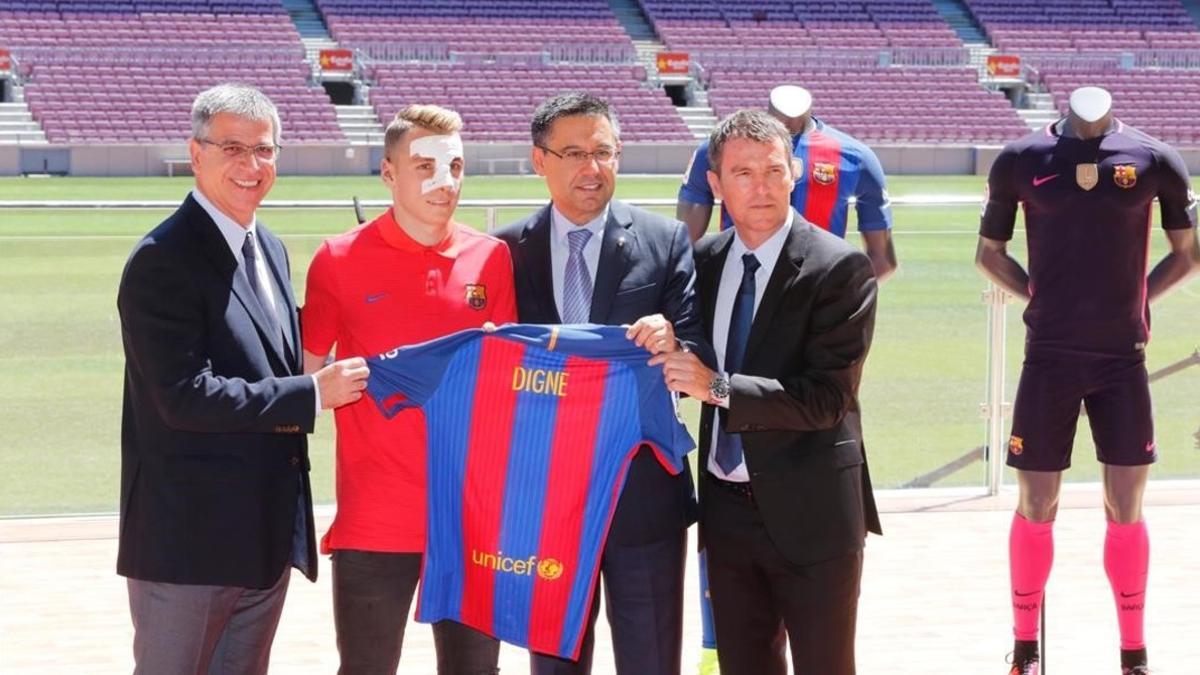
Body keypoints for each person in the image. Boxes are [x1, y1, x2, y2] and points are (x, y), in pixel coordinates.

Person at [116, 83, 368, 674]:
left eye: (264, 149)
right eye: (232, 148)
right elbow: (184, 396)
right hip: (189, 547)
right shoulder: (162, 259)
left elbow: (267, 364)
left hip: (263, 541)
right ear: (195, 152)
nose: (250, 165)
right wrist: (312, 393)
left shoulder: (271, 248)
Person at [976, 87, 1200, 675]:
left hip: (1122, 361)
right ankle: (1024, 649)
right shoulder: (1021, 158)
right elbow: (989, 254)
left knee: (1125, 507)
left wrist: (1137, 301)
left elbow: (1187, 253)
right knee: (1035, 504)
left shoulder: (1154, 160)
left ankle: (1134, 654)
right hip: (1047, 356)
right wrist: (1042, 299)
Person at [654, 109, 881, 675]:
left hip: (814, 511)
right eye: (742, 173)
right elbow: (684, 366)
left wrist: (720, 387)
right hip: (727, 515)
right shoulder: (700, 265)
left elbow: (826, 400)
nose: (760, 187)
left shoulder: (840, 267)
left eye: (773, 170)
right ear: (715, 183)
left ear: (795, 172)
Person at [493, 91, 712, 675]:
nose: (592, 169)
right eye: (573, 153)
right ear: (539, 160)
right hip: (543, 502)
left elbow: (699, 352)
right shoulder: (504, 252)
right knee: (555, 663)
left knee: (652, 660)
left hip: (642, 497)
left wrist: (673, 340)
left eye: (604, 152)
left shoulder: (665, 242)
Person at [301, 104, 516, 674]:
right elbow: (301, 380)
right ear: (388, 173)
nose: (444, 183)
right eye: (424, 166)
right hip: (375, 521)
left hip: (469, 519)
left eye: (455, 166)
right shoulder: (337, 260)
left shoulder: (491, 258)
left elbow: (506, 387)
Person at [676, 84, 897, 282]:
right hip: (741, 290)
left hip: (815, 301)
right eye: (745, 173)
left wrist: (837, 298)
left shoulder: (855, 157)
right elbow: (683, 248)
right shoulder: (718, 150)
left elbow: (883, 259)